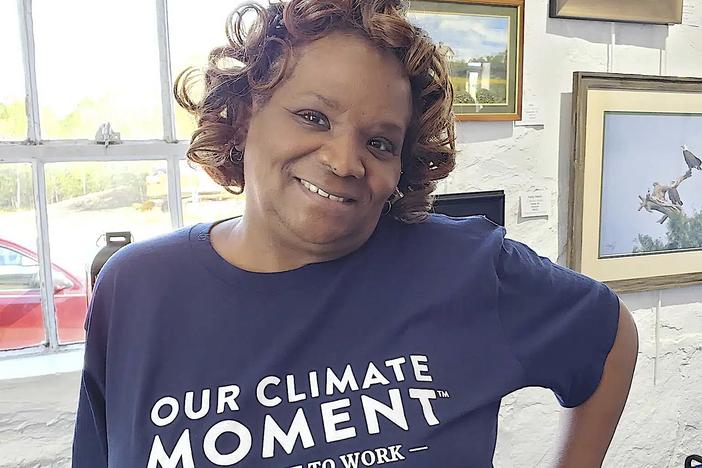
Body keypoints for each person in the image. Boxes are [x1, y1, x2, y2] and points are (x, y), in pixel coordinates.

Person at [71, 1, 638, 467]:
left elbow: (610, 335)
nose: (345, 161)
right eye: (313, 117)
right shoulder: (137, 291)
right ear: (245, 116)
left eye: (380, 142)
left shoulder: (467, 268)